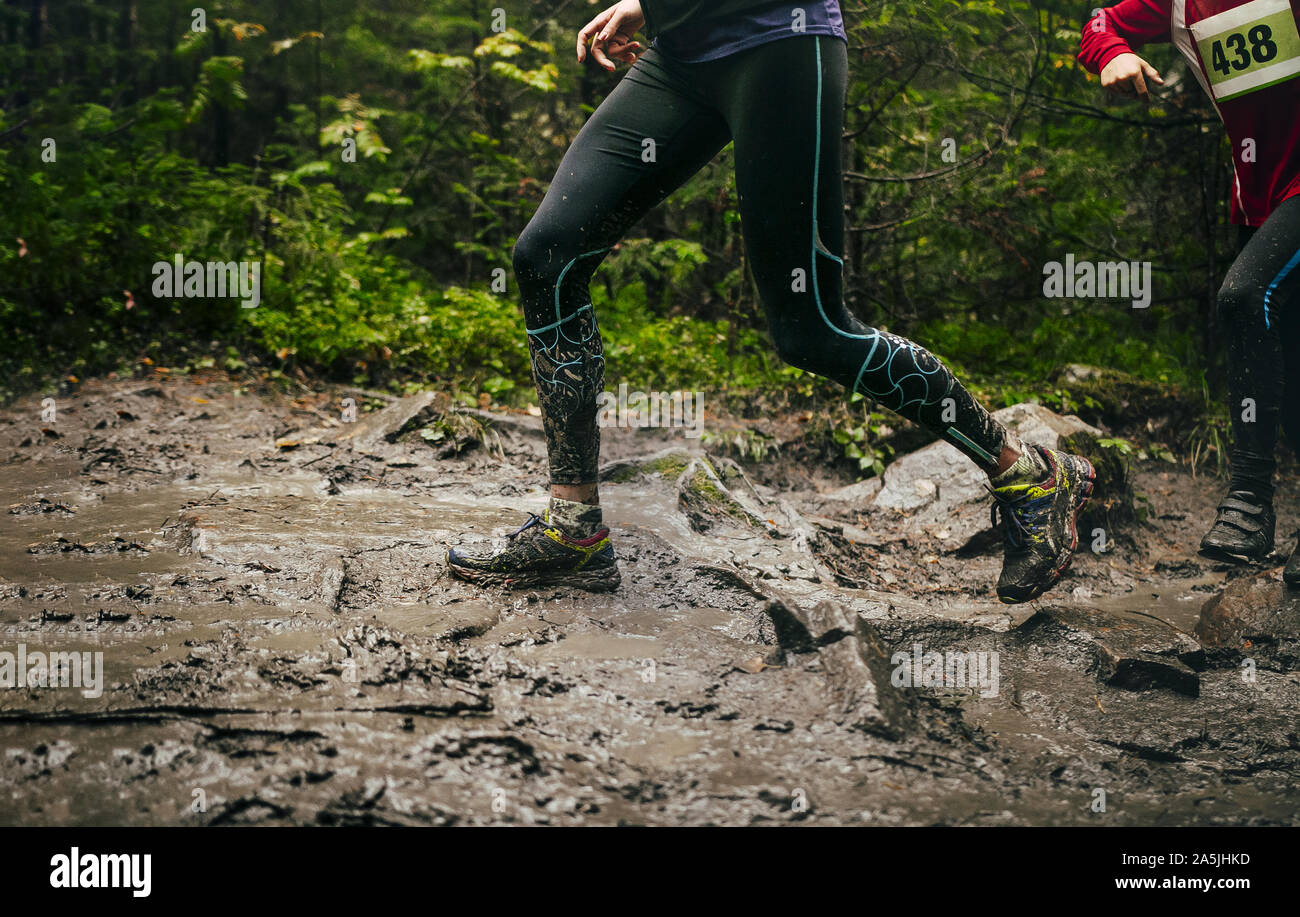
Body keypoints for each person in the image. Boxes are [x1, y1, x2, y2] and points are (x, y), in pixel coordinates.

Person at [449, 1, 1097, 602]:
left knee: (810, 329)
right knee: (547, 255)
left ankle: (1030, 472)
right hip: (683, 54)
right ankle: (574, 528)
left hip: (778, 43)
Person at [1079, 0, 1300, 583]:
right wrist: (1114, 53)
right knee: (1290, 350)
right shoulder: (1179, 3)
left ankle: (1250, 502)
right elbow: (1102, 21)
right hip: (1264, 193)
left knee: (1244, 298)